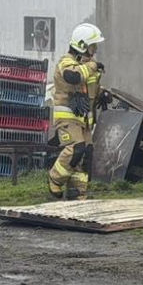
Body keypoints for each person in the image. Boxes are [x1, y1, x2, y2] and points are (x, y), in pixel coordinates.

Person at [48, 22, 105, 200]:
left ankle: (77, 194)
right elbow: (74, 77)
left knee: (86, 153)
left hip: (83, 120)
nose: (94, 49)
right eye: (92, 45)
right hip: (67, 117)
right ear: (82, 45)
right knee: (76, 148)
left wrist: (102, 95)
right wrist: (93, 67)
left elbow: (90, 89)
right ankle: (55, 179)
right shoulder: (67, 62)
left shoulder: (88, 65)